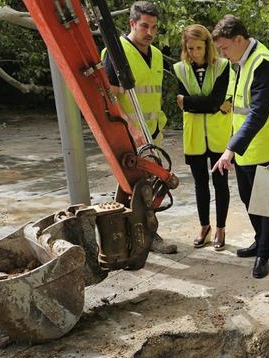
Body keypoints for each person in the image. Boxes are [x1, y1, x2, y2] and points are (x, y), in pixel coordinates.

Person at [211, 15, 269, 279]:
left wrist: (230, 149)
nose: (222, 53)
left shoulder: (263, 64)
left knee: (266, 204)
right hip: (248, 148)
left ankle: (264, 255)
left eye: (224, 48)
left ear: (239, 40)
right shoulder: (243, 61)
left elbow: (257, 113)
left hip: (265, 146)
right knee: (249, 199)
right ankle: (260, 241)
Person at [103, 1, 177, 255]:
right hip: (128, 135)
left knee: (147, 187)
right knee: (135, 189)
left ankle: (134, 237)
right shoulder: (116, 52)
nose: (150, 32)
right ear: (132, 24)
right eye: (144, 26)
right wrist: (129, 127)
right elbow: (110, 96)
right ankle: (142, 238)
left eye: (154, 27)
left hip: (152, 134)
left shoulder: (155, 54)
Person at [173, 24, 233, 251]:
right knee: (200, 184)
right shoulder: (180, 69)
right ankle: (205, 227)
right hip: (194, 137)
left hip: (218, 137)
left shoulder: (223, 66)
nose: (194, 53)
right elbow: (212, 103)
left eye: (199, 47)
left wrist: (190, 102)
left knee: (220, 184)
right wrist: (212, 104)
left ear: (208, 46)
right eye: (190, 48)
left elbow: (215, 99)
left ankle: (221, 229)